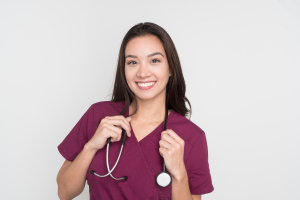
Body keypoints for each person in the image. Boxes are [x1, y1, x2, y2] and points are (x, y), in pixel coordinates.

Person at [56, 22, 214, 200]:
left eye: (154, 61)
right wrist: (91, 146)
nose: (143, 72)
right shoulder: (98, 116)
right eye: (132, 62)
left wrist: (179, 174)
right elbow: (64, 192)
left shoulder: (191, 136)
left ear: (170, 68)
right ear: (124, 70)